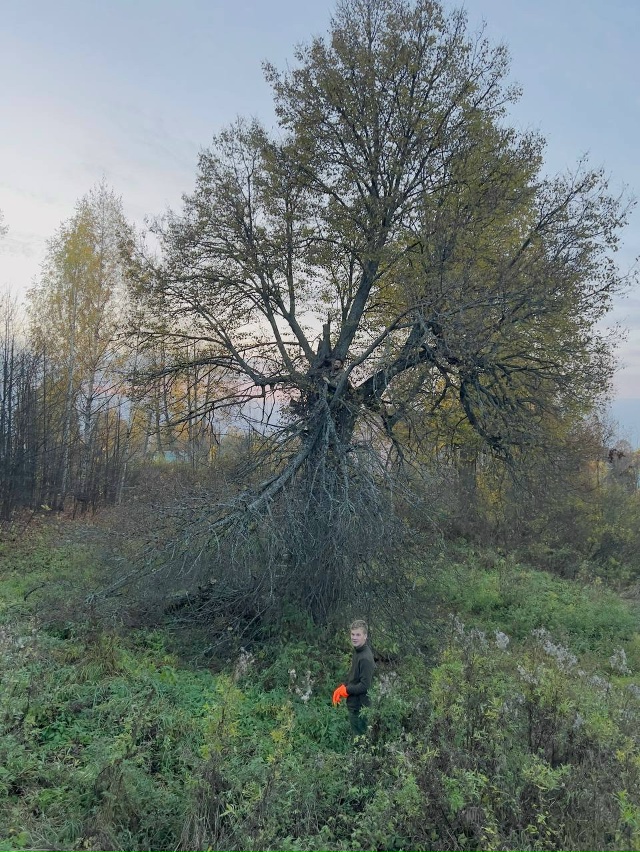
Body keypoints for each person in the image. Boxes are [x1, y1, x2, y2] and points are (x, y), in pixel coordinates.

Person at [332, 619, 375, 736]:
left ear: (365, 636)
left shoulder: (365, 657)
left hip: (360, 708)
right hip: (354, 705)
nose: (354, 637)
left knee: (361, 742)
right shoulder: (358, 651)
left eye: (358, 635)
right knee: (357, 739)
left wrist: (346, 690)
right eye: (352, 634)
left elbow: (365, 686)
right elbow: (354, 675)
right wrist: (343, 686)